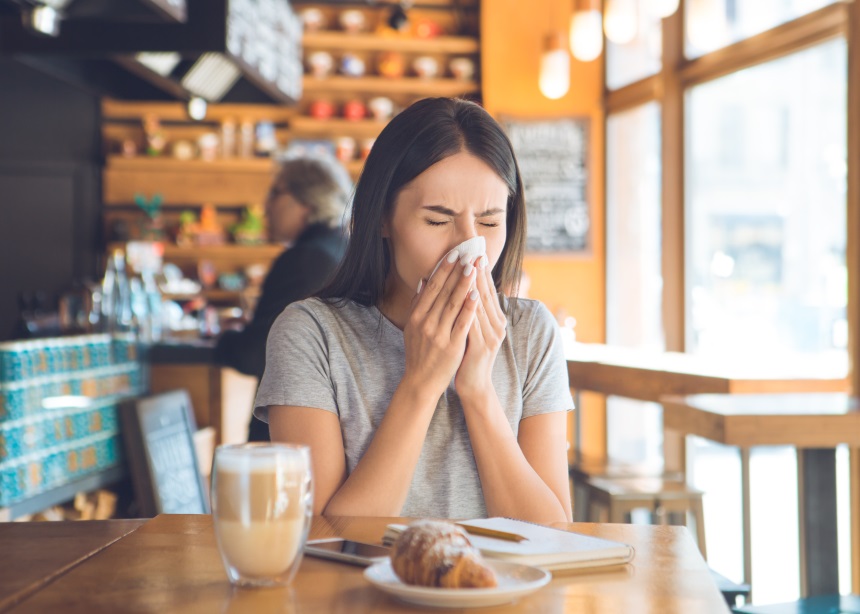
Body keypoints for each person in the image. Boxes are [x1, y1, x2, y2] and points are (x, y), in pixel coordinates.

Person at [254, 98, 573, 523]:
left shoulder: (532, 333)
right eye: (437, 221)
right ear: (383, 218)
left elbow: (551, 535)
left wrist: (478, 390)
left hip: (504, 589)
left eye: (490, 222)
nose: (467, 247)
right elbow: (322, 538)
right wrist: (421, 384)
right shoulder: (311, 335)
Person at [214, 156, 349, 442]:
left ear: (307, 201)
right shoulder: (342, 248)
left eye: (276, 193)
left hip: (290, 433)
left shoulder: (305, 259)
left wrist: (225, 337)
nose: (265, 206)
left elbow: (255, 354)